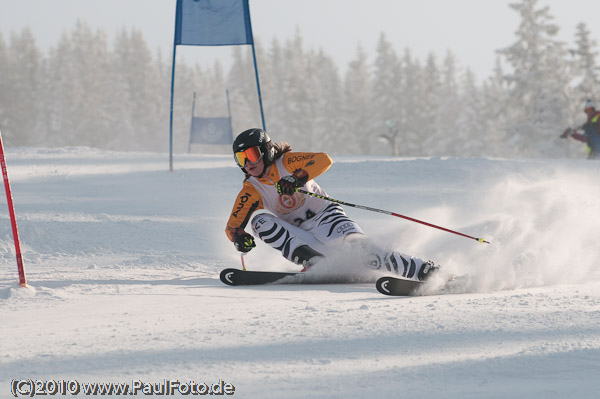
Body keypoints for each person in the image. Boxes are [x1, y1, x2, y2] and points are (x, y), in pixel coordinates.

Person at [225, 128, 438, 282]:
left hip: (327, 219)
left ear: (267, 151)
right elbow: (233, 226)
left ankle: (426, 272)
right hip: (301, 237)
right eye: (240, 158)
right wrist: (239, 238)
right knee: (259, 221)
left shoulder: (287, 162)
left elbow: (324, 160)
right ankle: (315, 263)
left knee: (364, 251)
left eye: (252, 155)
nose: (248, 163)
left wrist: (296, 178)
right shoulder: (251, 189)